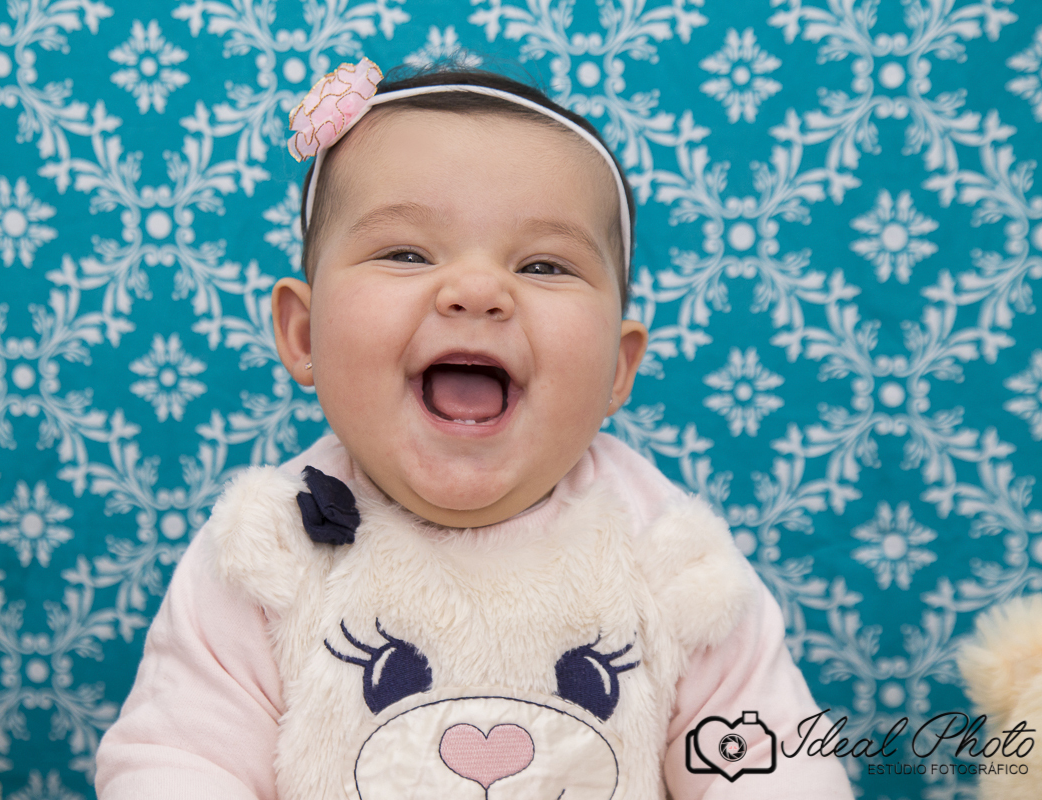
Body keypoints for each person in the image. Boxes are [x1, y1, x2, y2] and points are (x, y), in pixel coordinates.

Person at [95, 60, 855, 799]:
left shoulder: (669, 557)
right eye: (405, 252)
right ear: (302, 334)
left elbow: (771, 763)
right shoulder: (269, 549)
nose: (477, 290)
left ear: (619, 370)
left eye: (546, 266)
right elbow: (178, 760)